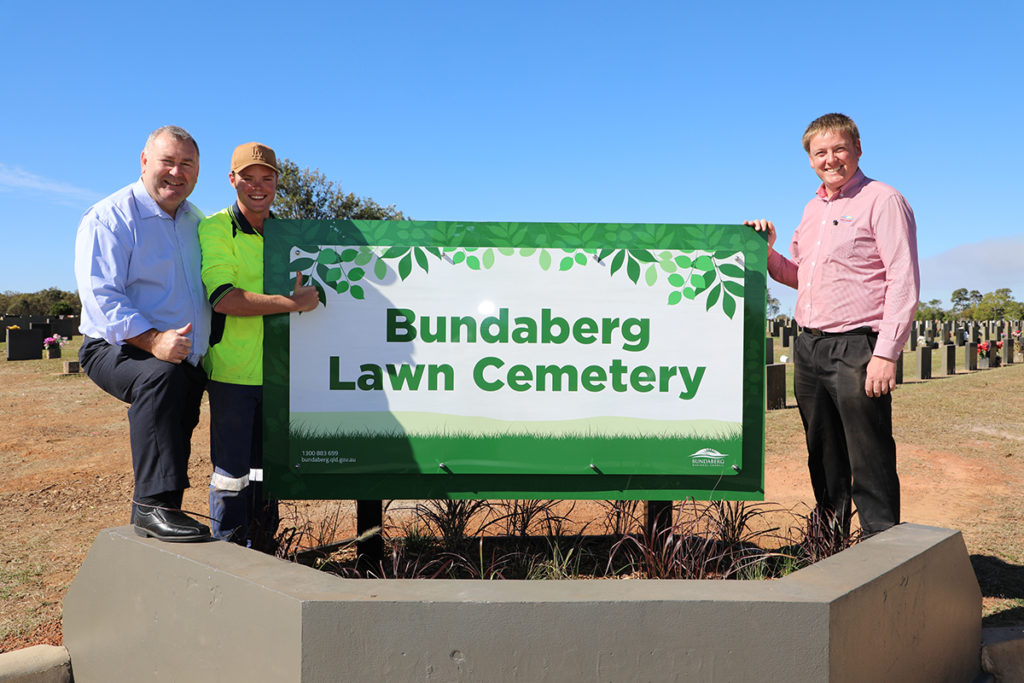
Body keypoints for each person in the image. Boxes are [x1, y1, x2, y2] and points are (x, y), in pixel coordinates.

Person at [746, 113, 920, 536]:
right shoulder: (811, 209)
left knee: (869, 453)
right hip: (809, 348)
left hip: (857, 347)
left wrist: (885, 354)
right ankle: (828, 542)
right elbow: (799, 275)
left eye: (839, 149)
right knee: (822, 451)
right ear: (809, 160)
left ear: (858, 149)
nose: (831, 159)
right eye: (820, 152)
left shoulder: (883, 200)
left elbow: (903, 276)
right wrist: (767, 252)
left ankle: (880, 548)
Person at [75, 125, 211, 542]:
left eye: (186, 163)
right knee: (162, 379)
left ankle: (166, 507)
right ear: (144, 161)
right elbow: (101, 294)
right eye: (167, 161)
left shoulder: (196, 221)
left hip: (182, 352)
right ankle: (150, 507)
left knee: (181, 405)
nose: (176, 172)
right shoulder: (109, 217)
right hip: (115, 346)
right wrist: (154, 341)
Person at [198, 142, 319, 549]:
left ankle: (265, 557)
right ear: (232, 180)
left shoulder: (287, 235)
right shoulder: (217, 228)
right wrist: (291, 303)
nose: (257, 187)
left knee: (266, 473)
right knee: (232, 475)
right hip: (233, 372)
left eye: (266, 178)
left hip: (278, 374)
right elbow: (223, 298)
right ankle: (230, 561)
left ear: (276, 183)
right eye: (247, 178)